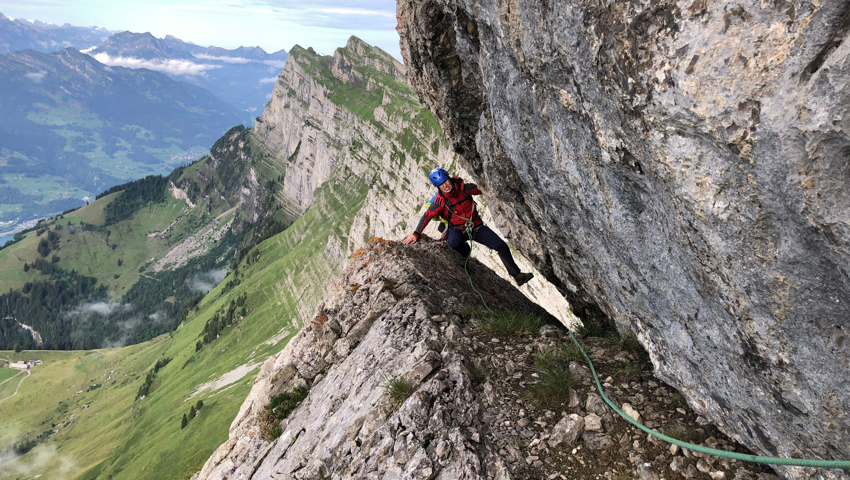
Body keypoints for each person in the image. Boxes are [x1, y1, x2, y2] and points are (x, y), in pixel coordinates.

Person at [403, 167, 535, 286]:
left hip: (476, 227)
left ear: (449, 178)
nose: (445, 186)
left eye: (445, 181)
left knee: (500, 245)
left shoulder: (464, 189)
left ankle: (517, 275)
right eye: (441, 184)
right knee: (453, 242)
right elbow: (427, 216)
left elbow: (483, 189)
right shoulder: (439, 201)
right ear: (437, 187)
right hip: (457, 230)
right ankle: (465, 252)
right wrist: (416, 234)